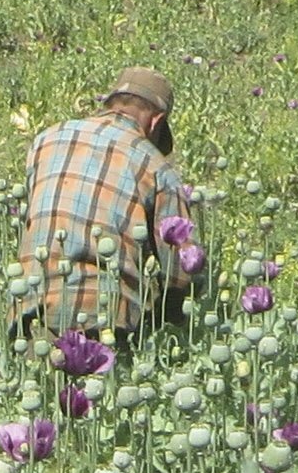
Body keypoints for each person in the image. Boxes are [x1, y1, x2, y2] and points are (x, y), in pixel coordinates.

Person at [13, 65, 197, 341]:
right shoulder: (157, 168)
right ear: (156, 122)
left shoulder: (46, 139)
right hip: (103, 319)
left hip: (29, 308)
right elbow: (180, 271)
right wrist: (173, 323)